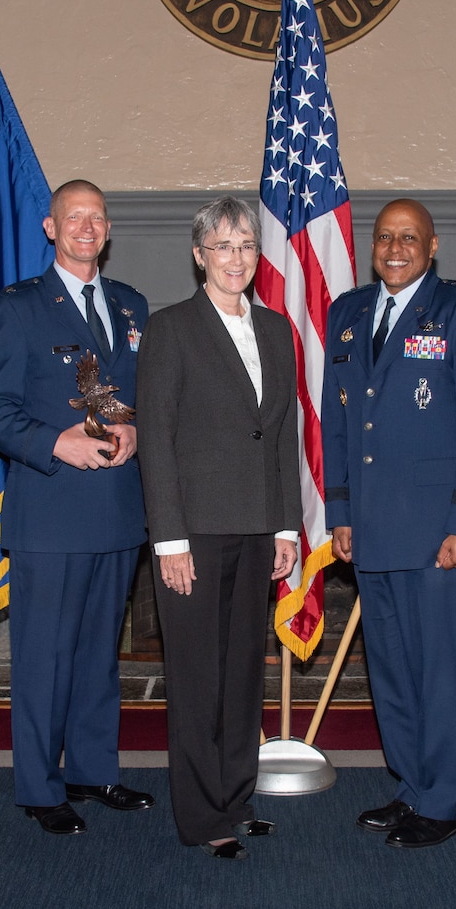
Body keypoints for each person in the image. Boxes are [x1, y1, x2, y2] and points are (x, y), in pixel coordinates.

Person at [323, 198, 456, 849]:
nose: (396, 247)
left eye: (410, 237)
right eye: (385, 237)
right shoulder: (347, 313)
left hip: (441, 537)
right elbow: (340, 424)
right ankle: (410, 786)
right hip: (373, 531)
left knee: (438, 671)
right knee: (392, 672)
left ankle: (446, 798)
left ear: (432, 246)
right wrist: (340, 513)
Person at [0, 180, 154, 835]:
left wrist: (139, 430)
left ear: (108, 230)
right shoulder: (20, 306)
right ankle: (40, 786)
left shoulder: (132, 306)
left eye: (97, 218)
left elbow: (145, 396)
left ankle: (93, 768)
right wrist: (56, 443)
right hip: (49, 510)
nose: (86, 227)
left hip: (117, 510)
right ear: (51, 228)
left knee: (100, 653)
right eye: (73, 217)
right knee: (45, 656)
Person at [136, 197, 301, 859]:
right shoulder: (170, 328)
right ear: (200, 254)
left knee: (242, 676)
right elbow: (156, 439)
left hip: (258, 526)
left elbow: (281, 434)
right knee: (199, 676)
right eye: (223, 246)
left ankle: (236, 795)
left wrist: (286, 525)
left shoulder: (277, 330)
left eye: (246, 245)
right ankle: (202, 814)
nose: (237, 258)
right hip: (194, 534)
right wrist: (169, 538)